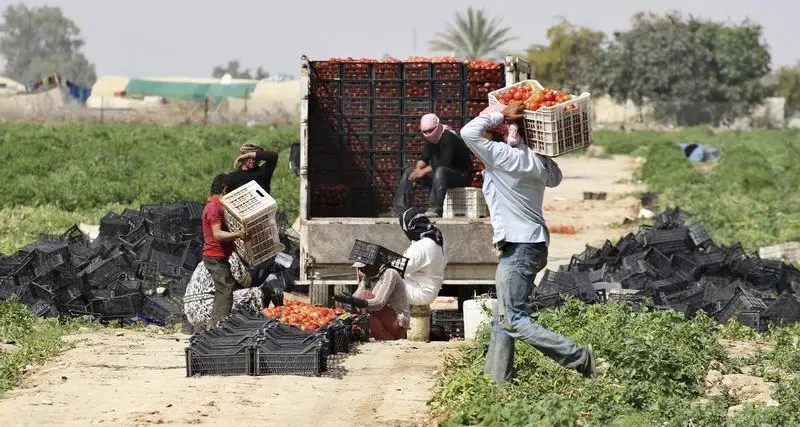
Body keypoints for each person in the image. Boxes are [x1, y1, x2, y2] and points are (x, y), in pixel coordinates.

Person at [459, 102, 595, 384]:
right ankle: (496, 382)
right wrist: (537, 145)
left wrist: (501, 114)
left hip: (520, 247)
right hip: (534, 244)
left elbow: (468, 132)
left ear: (497, 132)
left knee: (515, 319)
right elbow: (556, 177)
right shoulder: (535, 160)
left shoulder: (501, 156)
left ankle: (579, 357)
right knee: (504, 314)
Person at [392, 114, 472, 218]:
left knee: (440, 170)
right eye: (425, 132)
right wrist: (417, 171)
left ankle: (435, 208)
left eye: (430, 130)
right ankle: (400, 208)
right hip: (440, 177)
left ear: (438, 126)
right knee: (409, 172)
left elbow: (445, 162)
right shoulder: (430, 139)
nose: (428, 134)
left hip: (460, 176)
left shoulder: (449, 137)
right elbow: (424, 158)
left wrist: (423, 171)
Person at [183, 252, 286, 332]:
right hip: (206, 308)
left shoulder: (212, 255)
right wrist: (269, 274)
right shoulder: (230, 256)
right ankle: (258, 323)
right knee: (256, 293)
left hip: (191, 311)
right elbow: (247, 282)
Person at [202, 173, 250, 326]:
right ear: (225, 190)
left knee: (223, 288)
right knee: (226, 289)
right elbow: (217, 234)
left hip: (218, 256)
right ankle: (218, 325)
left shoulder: (216, 206)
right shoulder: (213, 208)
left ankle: (216, 324)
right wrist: (238, 234)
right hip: (214, 256)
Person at [333, 259, 410, 341]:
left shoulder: (390, 273)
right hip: (383, 321)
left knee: (365, 295)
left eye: (362, 268)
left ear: (373, 265)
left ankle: (389, 340)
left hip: (398, 323)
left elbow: (379, 303)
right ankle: (385, 338)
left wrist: (355, 301)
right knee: (361, 315)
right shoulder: (368, 277)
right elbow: (356, 297)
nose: (360, 271)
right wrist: (347, 301)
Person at [399, 207, 447, 306]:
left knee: (385, 278)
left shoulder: (423, 245)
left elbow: (401, 268)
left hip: (420, 292)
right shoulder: (437, 238)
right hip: (430, 289)